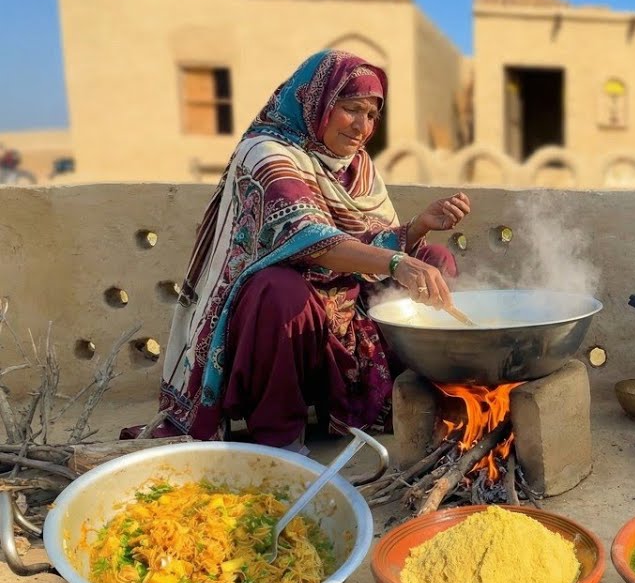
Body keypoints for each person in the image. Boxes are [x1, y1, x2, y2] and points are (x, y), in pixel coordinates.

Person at [124, 49, 468, 452]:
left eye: (372, 115)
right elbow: (307, 236)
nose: (362, 126)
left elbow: (370, 244)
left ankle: (431, 405)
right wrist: (396, 261)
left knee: (435, 261)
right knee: (281, 291)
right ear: (316, 102)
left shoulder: (358, 166)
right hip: (272, 323)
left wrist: (421, 227)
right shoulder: (265, 152)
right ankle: (279, 438)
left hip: (345, 303)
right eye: (351, 109)